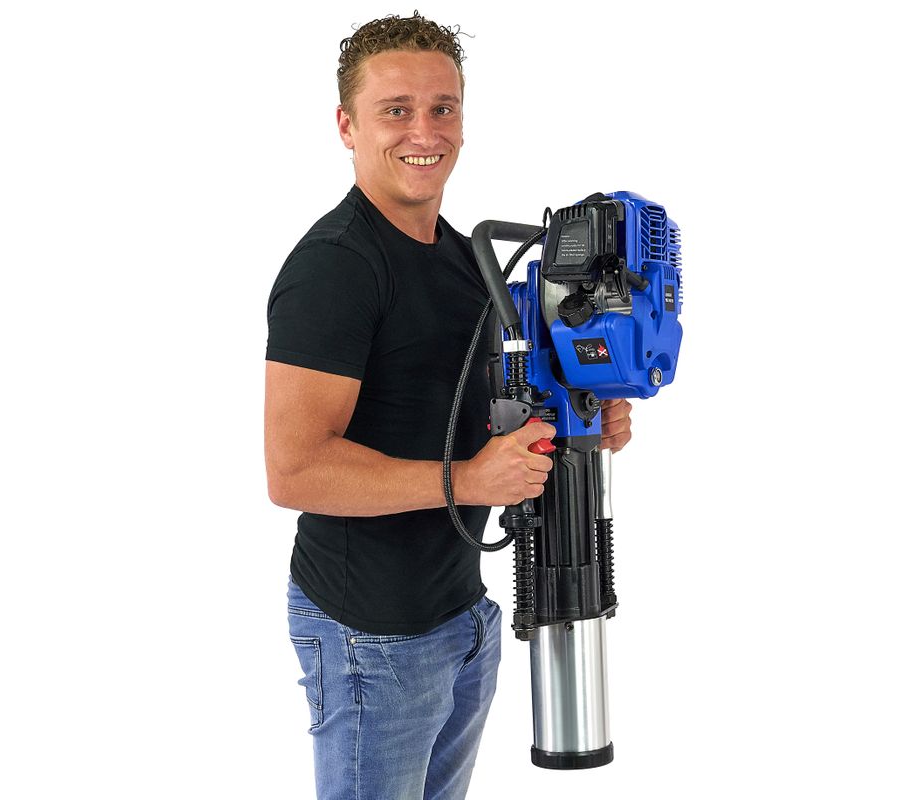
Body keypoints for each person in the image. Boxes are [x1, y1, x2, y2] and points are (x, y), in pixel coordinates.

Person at [264, 12, 633, 799]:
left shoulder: (466, 260)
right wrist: (468, 480)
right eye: (395, 110)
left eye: (443, 107)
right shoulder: (335, 267)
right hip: (370, 634)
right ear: (347, 125)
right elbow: (294, 470)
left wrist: (582, 417)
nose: (424, 131)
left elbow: (481, 408)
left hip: (460, 615)